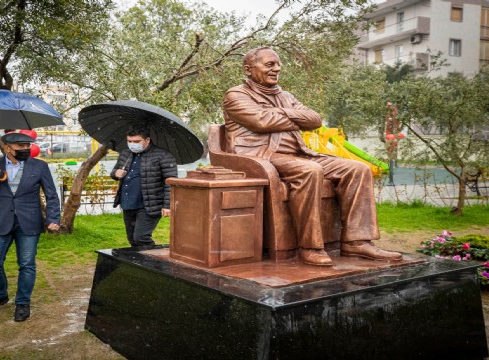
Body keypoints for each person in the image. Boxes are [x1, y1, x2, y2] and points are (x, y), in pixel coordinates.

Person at [222, 47, 402, 266]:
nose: (277, 69)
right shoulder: (236, 95)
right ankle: (310, 246)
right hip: (261, 156)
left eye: (278, 64)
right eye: (270, 64)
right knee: (310, 170)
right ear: (248, 69)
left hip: (298, 154)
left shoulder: (285, 96)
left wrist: (281, 114)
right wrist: (295, 118)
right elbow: (261, 122)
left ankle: (357, 242)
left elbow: (315, 119)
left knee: (358, 168)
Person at [0, 131, 61, 322]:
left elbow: (51, 195)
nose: (26, 149)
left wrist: (53, 218)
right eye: (21, 146)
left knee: (27, 264)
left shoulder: (40, 166)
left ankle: (22, 302)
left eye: (28, 146)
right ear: (7, 148)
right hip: (0, 222)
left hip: (29, 223)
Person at [110, 127, 178, 248]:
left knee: (141, 238)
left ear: (147, 140)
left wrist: (168, 205)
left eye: (136, 141)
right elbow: (114, 171)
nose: (132, 144)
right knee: (132, 239)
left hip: (150, 204)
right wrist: (116, 173)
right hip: (128, 203)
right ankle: (139, 264)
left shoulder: (163, 156)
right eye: (129, 141)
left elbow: (171, 182)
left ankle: (155, 262)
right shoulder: (125, 153)